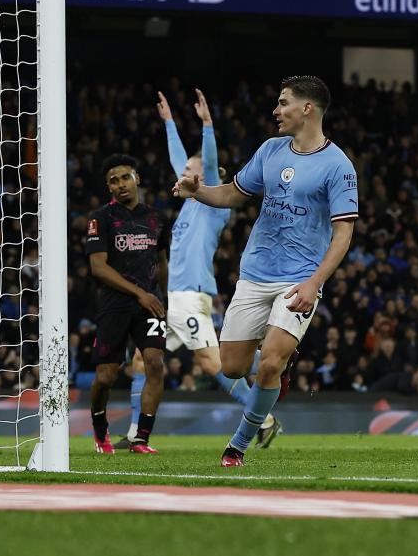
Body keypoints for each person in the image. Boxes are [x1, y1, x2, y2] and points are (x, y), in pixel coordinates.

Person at [174, 75, 358, 467]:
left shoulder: (339, 166)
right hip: (256, 272)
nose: (276, 110)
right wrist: (199, 191)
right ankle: (279, 365)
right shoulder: (270, 150)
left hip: (300, 277)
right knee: (233, 367)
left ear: (307, 108)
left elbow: (343, 233)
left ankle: (236, 446)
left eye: (283, 103)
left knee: (270, 361)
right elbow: (234, 195)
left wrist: (314, 283)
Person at [118, 89, 278, 449]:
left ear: (202, 177)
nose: (182, 173)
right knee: (144, 360)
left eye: (190, 171)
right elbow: (182, 160)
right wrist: (170, 122)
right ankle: (134, 434)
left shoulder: (212, 205)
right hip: (172, 298)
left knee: (211, 363)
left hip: (192, 296)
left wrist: (207, 126)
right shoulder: (189, 204)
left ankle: (264, 414)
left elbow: (205, 162)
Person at [86, 154, 169, 454]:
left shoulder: (156, 218)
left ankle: (142, 439)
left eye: (124, 177)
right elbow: (98, 267)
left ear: (137, 179)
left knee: (155, 364)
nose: (120, 185)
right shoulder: (101, 218)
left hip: (150, 303)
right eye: (113, 181)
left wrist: (164, 298)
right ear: (108, 188)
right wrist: (139, 293)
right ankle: (99, 427)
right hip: (115, 304)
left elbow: (161, 261)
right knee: (106, 377)